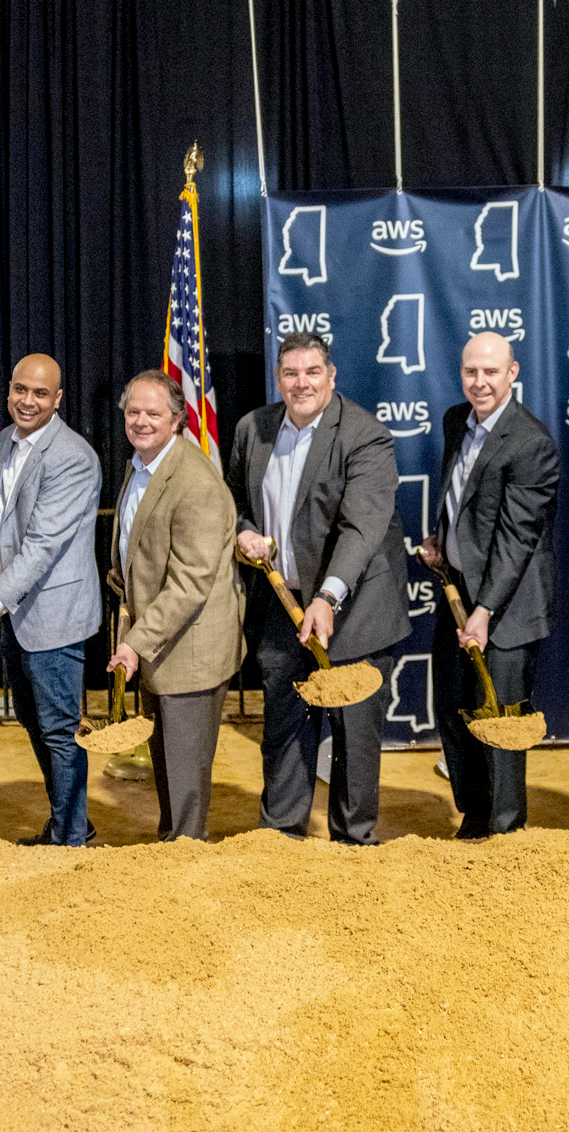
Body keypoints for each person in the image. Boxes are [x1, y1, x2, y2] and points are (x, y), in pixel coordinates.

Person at [226, 331, 410, 845]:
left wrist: (328, 598)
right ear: (278, 378)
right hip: (281, 606)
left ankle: (354, 845)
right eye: (290, 373)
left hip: (353, 609)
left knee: (354, 739)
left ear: (332, 377)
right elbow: (237, 498)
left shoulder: (364, 435)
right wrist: (243, 531)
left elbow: (363, 527)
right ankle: (282, 837)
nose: (301, 383)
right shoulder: (252, 428)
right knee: (284, 729)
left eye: (312, 372)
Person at [0, 354, 104, 848]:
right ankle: (69, 823)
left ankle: (71, 837)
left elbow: (40, 549)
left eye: (40, 394)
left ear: (58, 400)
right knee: (37, 725)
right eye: (20, 390)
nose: (27, 401)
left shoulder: (73, 457)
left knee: (58, 731)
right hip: (18, 614)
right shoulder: (3, 441)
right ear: (9, 390)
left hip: (53, 616)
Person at [419, 332, 561, 839]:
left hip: (507, 607)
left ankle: (506, 829)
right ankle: (475, 815)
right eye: (471, 372)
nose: (480, 382)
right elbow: (462, 499)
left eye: (491, 372)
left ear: (513, 373)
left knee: (500, 723)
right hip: (456, 595)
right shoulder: (456, 419)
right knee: (453, 709)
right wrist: (443, 538)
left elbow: (517, 540)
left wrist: (484, 611)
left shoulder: (532, 443)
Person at [108, 370, 246, 841]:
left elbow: (191, 582)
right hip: (161, 642)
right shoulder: (141, 464)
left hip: (191, 651)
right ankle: (174, 848)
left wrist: (135, 643)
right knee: (167, 764)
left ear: (177, 421)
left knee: (185, 776)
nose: (141, 421)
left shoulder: (197, 482)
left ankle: (186, 863)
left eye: (153, 413)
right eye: (133, 412)